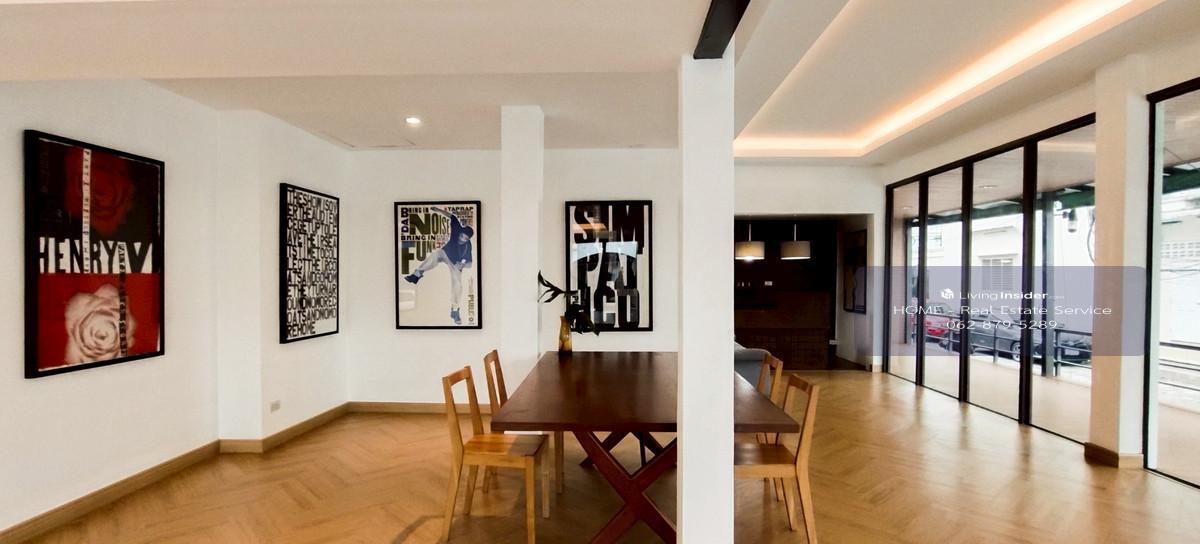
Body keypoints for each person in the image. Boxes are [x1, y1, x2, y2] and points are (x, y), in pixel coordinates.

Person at [404, 207, 474, 325]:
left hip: (455, 263)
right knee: (435, 254)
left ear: (468, 240)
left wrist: (462, 264)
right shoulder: (457, 228)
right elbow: (452, 216)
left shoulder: (468, 246)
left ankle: (455, 311)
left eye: (465, 239)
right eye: (461, 236)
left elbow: (470, 264)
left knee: (457, 285)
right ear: (460, 232)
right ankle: (416, 275)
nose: (461, 239)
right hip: (445, 253)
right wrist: (437, 210)